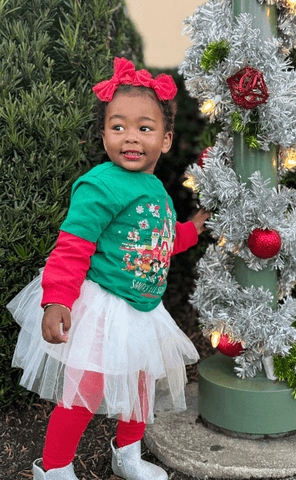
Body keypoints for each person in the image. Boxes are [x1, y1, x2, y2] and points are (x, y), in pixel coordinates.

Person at [7, 57, 210, 480]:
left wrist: (194, 228)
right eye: (118, 127)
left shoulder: (155, 188)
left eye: (144, 128)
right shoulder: (100, 185)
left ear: (166, 140)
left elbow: (162, 239)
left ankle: (128, 454)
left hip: (143, 310)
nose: (131, 138)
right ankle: (56, 468)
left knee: (141, 385)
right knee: (86, 389)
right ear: (104, 137)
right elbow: (71, 248)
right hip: (104, 306)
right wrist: (56, 300)